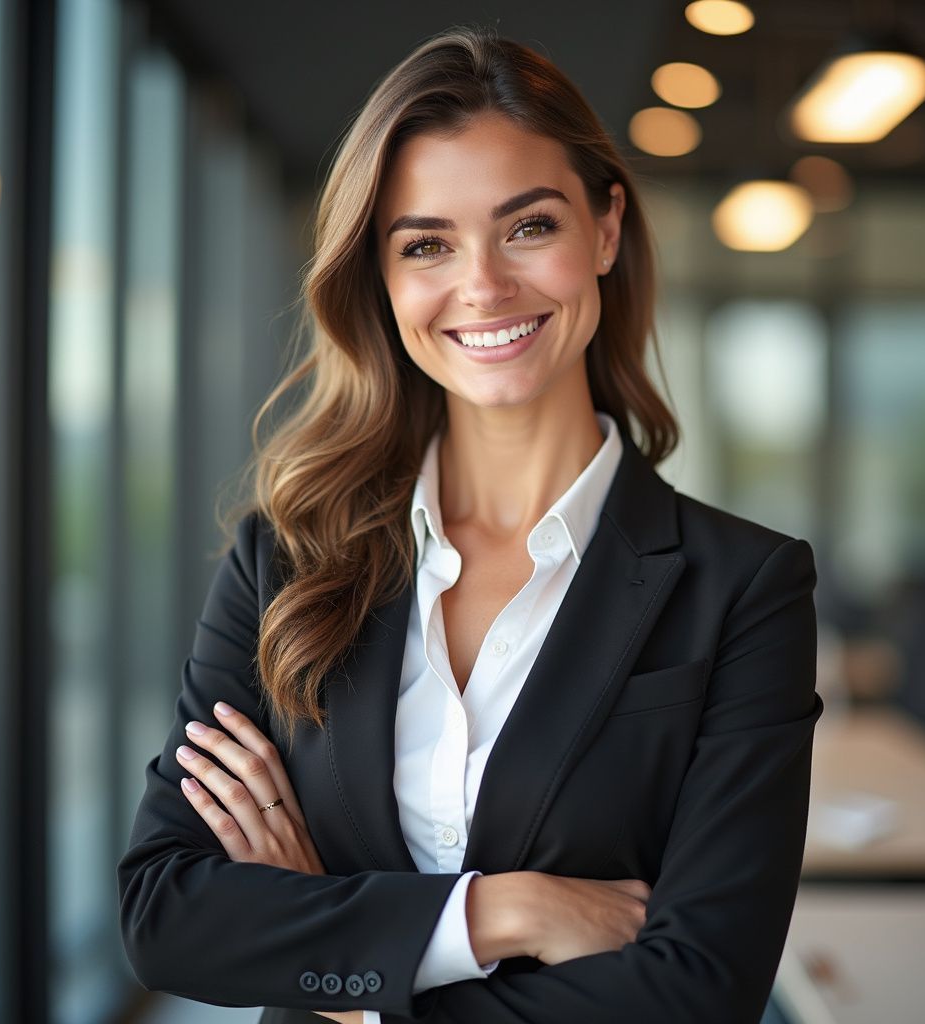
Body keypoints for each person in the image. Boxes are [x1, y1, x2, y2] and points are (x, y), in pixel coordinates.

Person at [117, 24, 824, 1024]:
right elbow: (164, 912)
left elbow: (700, 989)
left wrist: (347, 975)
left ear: (605, 229)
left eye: (529, 226)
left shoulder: (742, 587)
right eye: (426, 245)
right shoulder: (287, 558)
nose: (483, 285)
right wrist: (493, 914)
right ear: (382, 276)